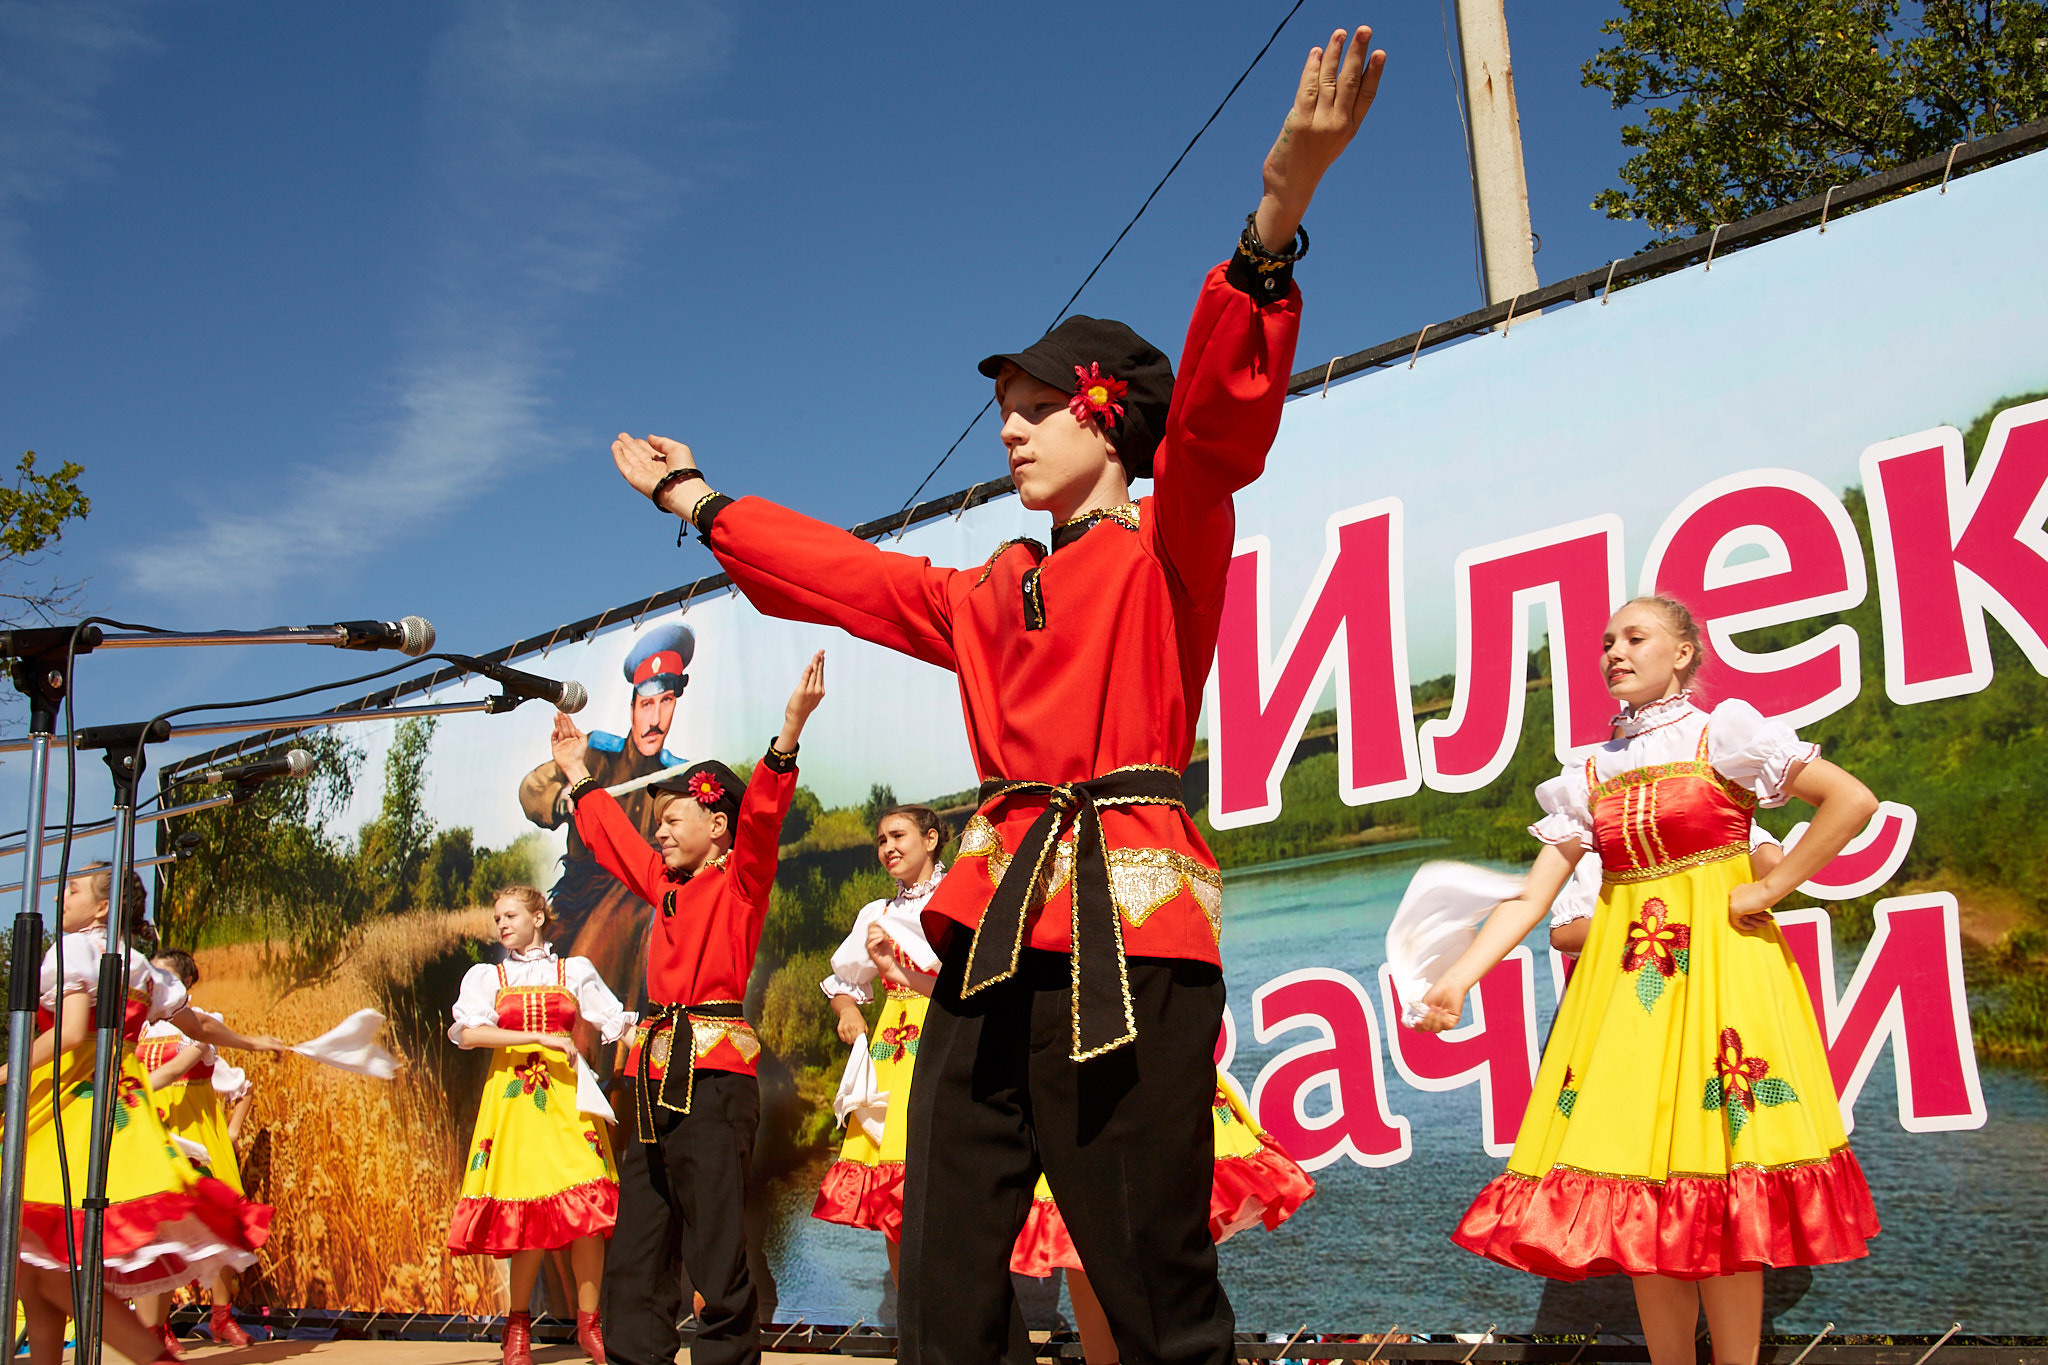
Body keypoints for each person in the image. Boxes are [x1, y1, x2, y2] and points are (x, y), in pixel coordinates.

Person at [604, 30, 1383, 1364]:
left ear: (1109, 419)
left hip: (1127, 928)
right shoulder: (987, 589)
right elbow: (845, 577)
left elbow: (1213, 424)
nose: (1011, 425)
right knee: (949, 1252)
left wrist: (1280, 212)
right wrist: (699, 499)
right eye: (1007, 406)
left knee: (1147, 1266)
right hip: (992, 925)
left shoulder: (1166, 547)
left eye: (1035, 403)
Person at [1412, 596, 1882, 1365]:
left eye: (1636, 637)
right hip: (1630, 1003)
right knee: (1645, 1206)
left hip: (1724, 987)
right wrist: (1459, 977)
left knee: (1726, 1200)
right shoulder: (1588, 773)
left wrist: (1768, 888)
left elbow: (1850, 800)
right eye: (1607, 642)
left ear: (1684, 652)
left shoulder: (1721, 732)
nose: (1615, 652)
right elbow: (1533, 898)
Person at [550, 651, 826, 1365]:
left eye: (675, 818)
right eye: (660, 821)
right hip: (650, 1079)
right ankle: (637, 1353)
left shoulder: (740, 881)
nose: (662, 831)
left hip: (712, 1080)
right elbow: (611, 838)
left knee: (714, 1245)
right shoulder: (661, 887)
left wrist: (789, 729)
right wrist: (580, 774)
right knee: (639, 1240)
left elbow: (764, 812)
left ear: (718, 826)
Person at [6, 868, 285, 1365]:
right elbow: (194, 1022)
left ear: (102, 907)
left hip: (69, 1112)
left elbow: (70, 1034)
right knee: (35, 1271)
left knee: (54, 1266)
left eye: (72, 889)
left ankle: (156, 1359)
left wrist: (7, 1069)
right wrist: (251, 1041)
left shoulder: (74, 952)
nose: (60, 895)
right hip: (118, 1115)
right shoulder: (137, 968)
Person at [447, 885, 635, 1365]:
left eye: (511, 915)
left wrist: (665, 1041)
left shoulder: (573, 971)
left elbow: (616, 1024)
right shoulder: (488, 977)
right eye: (497, 918)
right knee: (527, 1217)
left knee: (588, 1212)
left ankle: (589, 1325)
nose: (503, 924)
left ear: (538, 917)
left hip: (567, 1102)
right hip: (514, 1104)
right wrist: (536, 1035)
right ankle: (518, 1328)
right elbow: (468, 1032)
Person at [811, 806, 948, 1279]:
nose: (888, 847)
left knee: (944, 1168)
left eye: (898, 835)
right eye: (881, 839)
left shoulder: (957, 899)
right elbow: (842, 982)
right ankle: (907, 1307)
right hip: (893, 1047)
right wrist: (849, 1012)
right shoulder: (879, 914)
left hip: (946, 1032)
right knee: (895, 1183)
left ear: (930, 840)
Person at [520, 619, 693, 994]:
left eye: (666, 702)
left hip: (648, 897)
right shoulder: (595, 753)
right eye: (647, 704)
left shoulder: (677, 776)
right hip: (582, 898)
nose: (655, 719)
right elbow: (531, 791)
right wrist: (563, 799)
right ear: (632, 708)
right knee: (541, 981)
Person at [132, 949, 270, 1350]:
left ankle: (221, 1316)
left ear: (184, 984)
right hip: (157, 1133)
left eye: (162, 973)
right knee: (157, 1232)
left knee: (219, 1228)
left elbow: (232, 1085)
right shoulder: (138, 1029)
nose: (152, 978)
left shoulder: (199, 1027)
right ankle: (158, 1331)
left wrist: (231, 1132)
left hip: (197, 1131)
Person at [1548, 825, 1784, 960]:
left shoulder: (1721, 815)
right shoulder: (1610, 840)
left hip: (1712, 973)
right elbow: (1564, 934)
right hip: (1687, 973)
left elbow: (1772, 863)